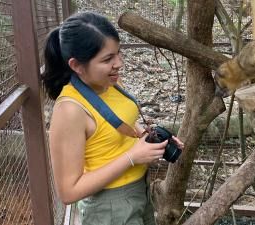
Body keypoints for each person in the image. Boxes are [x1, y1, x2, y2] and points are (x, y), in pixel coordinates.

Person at [42, 11, 184, 225]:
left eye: (118, 53)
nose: (119, 63)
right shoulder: (70, 110)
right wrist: (132, 157)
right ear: (76, 65)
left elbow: (117, 126)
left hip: (139, 191)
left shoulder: (109, 82)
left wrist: (151, 138)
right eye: (108, 59)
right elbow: (68, 192)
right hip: (109, 208)